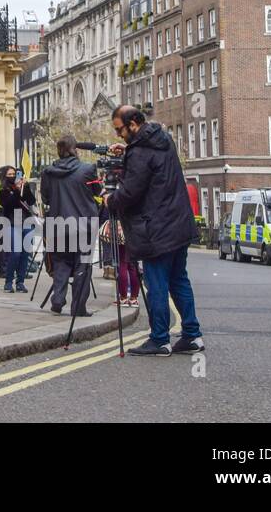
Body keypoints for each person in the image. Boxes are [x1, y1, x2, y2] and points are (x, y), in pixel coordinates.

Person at [106, 105, 203, 356]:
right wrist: (129, 150)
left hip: (156, 228)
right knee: (179, 279)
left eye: (120, 130)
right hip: (178, 223)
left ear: (134, 124)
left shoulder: (139, 153)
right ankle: (192, 335)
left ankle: (160, 339)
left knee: (156, 283)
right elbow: (151, 162)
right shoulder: (163, 139)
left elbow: (130, 191)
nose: (119, 135)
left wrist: (109, 200)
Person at [39, 136, 98, 317]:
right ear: (75, 149)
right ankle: (78, 307)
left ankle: (57, 300)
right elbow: (97, 192)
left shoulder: (47, 172)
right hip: (84, 225)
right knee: (83, 265)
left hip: (58, 225)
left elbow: (46, 198)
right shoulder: (88, 169)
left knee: (61, 263)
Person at [0, 167, 34, 292]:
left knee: (25, 253)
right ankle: (8, 281)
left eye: (14, 174)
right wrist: (18, 191)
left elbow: (31, 201)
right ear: (4, 176)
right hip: (12, 222)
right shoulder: (3, 191)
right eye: (10, 174)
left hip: (26, 222)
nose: (12, 176)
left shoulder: (22, 186)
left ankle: (20, 282)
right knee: (15, 252)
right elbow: (9, 204)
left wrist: (26, 188)